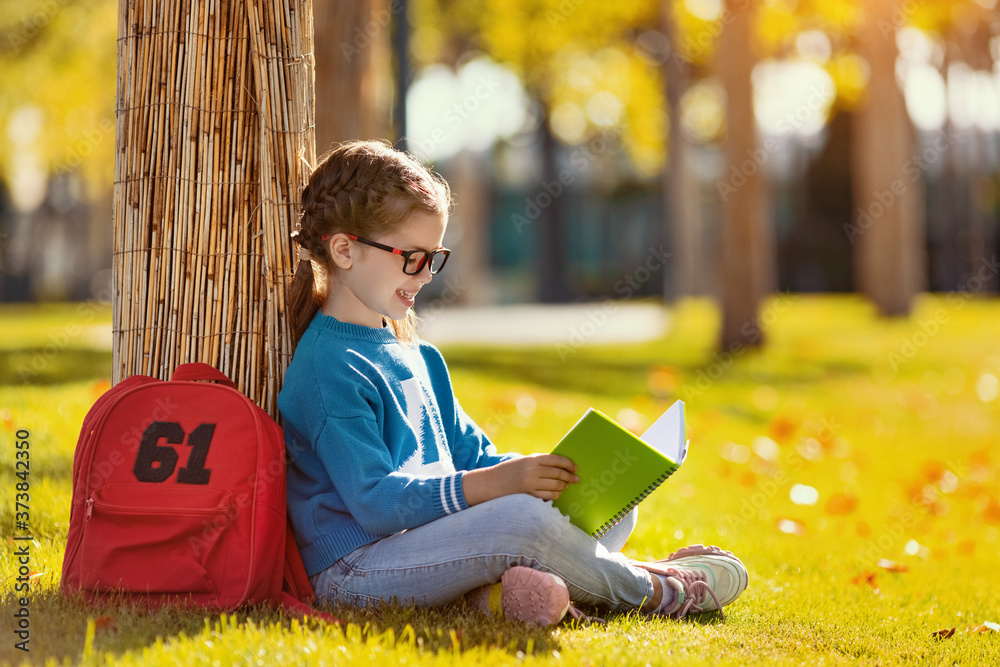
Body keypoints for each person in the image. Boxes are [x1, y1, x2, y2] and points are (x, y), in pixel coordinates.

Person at [278, 139, 749, 626]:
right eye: (411, 257)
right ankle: (656, 589)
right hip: (356, 571)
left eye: (433, 258)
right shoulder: (327, 367)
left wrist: (542, 473)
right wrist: (506, 487)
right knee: (522, 523)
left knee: (607, 505)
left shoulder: (419, 356)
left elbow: (474, 457)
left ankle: (494, 599)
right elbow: (376, 502)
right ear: (344, 250)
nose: (424, 276)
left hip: (424, 544)